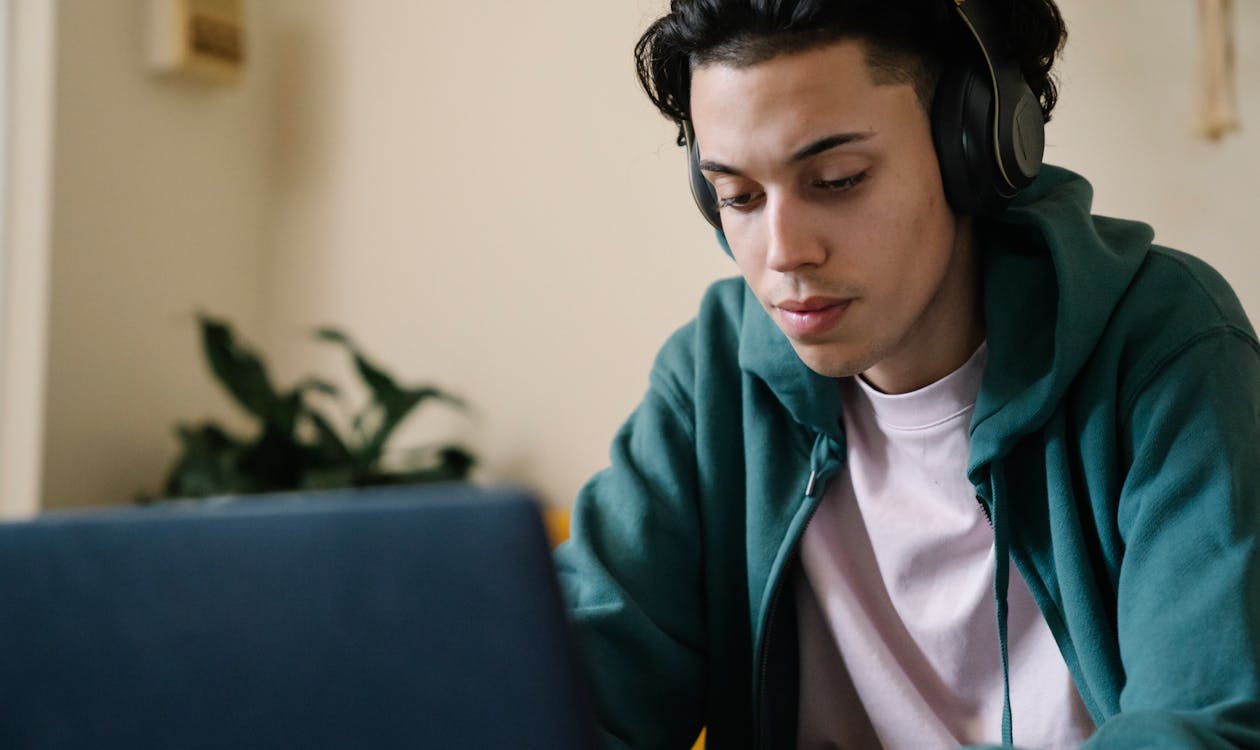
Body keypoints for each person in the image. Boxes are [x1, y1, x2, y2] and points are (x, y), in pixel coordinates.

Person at [554, 1, 1260, 747]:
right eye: (740, 197)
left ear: (976, 150)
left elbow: (1205, 724)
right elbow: (571, 692)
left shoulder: (1164, 348)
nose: (783, 252)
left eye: (836, 179)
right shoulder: (713, 375)